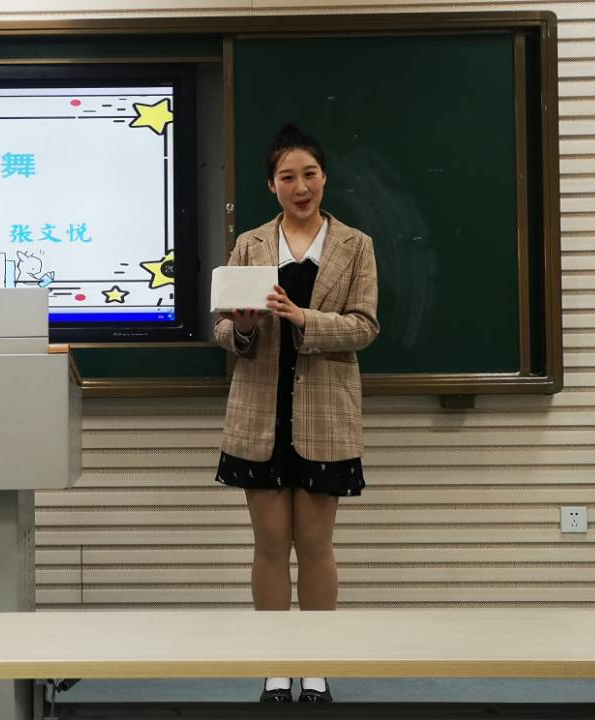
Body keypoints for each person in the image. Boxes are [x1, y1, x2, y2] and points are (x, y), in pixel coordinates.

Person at [214, 123, 379, 703]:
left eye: (310, 174)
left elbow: (364, 327)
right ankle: (275, 665)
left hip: (325, 415)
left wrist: (304, 318)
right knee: (268, 546)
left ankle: (316, 665)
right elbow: (224, 328)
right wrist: (243, 328)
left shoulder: (355, 244)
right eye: (287, 177)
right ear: (271, 184)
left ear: (324, 177)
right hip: (258, 414)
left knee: (315, 546)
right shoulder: (251, 244)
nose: (300, 186)